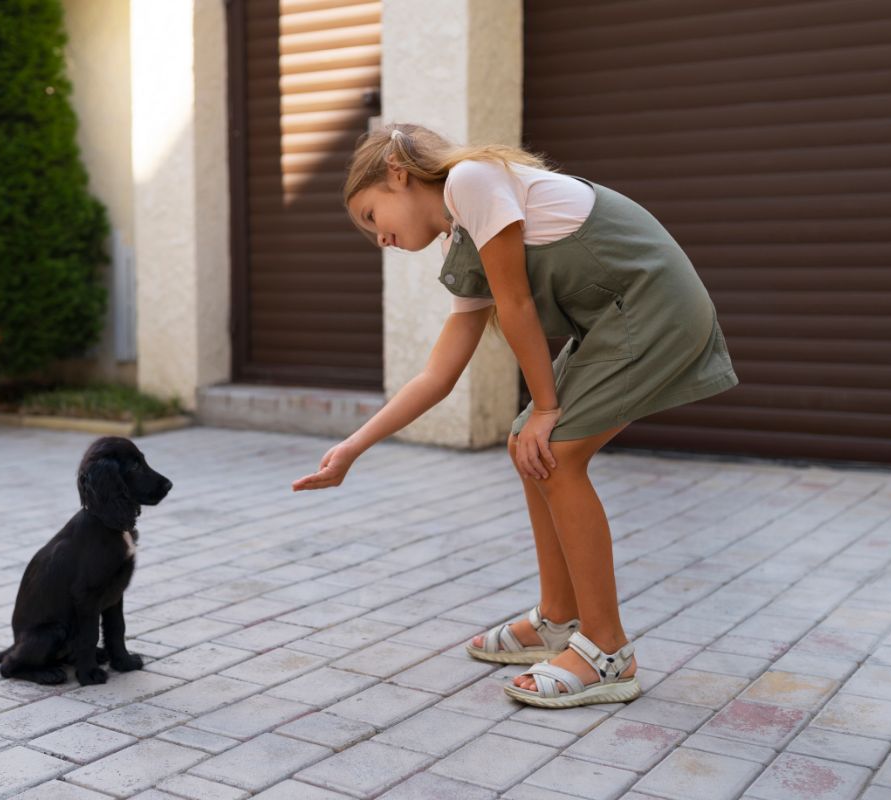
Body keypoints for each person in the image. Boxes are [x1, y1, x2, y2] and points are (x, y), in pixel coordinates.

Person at [292, 123, 738, 708]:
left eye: (372, 217)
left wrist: (547, 408)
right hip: (617, 317)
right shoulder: (465, 235)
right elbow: (437, 376)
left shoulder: (472, 181)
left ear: (397, 176)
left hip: (652, 307)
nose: (378, 238)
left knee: (555, 453)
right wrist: (353, 447)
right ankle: (558, 618)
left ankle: (607, 650)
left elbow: (518, 304)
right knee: (526, 446)